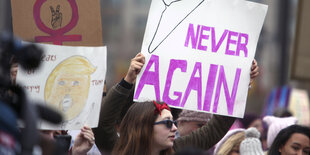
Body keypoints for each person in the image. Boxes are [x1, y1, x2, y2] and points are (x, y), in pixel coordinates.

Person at [93, 53, 259, 154]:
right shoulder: (118, 149)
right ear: (145, 126)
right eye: (167, 123)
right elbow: (102, 124)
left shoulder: (177, 149)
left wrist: (240, 87)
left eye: (172, 122)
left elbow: (215, 129)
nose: (174, 128)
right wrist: (127, 81)